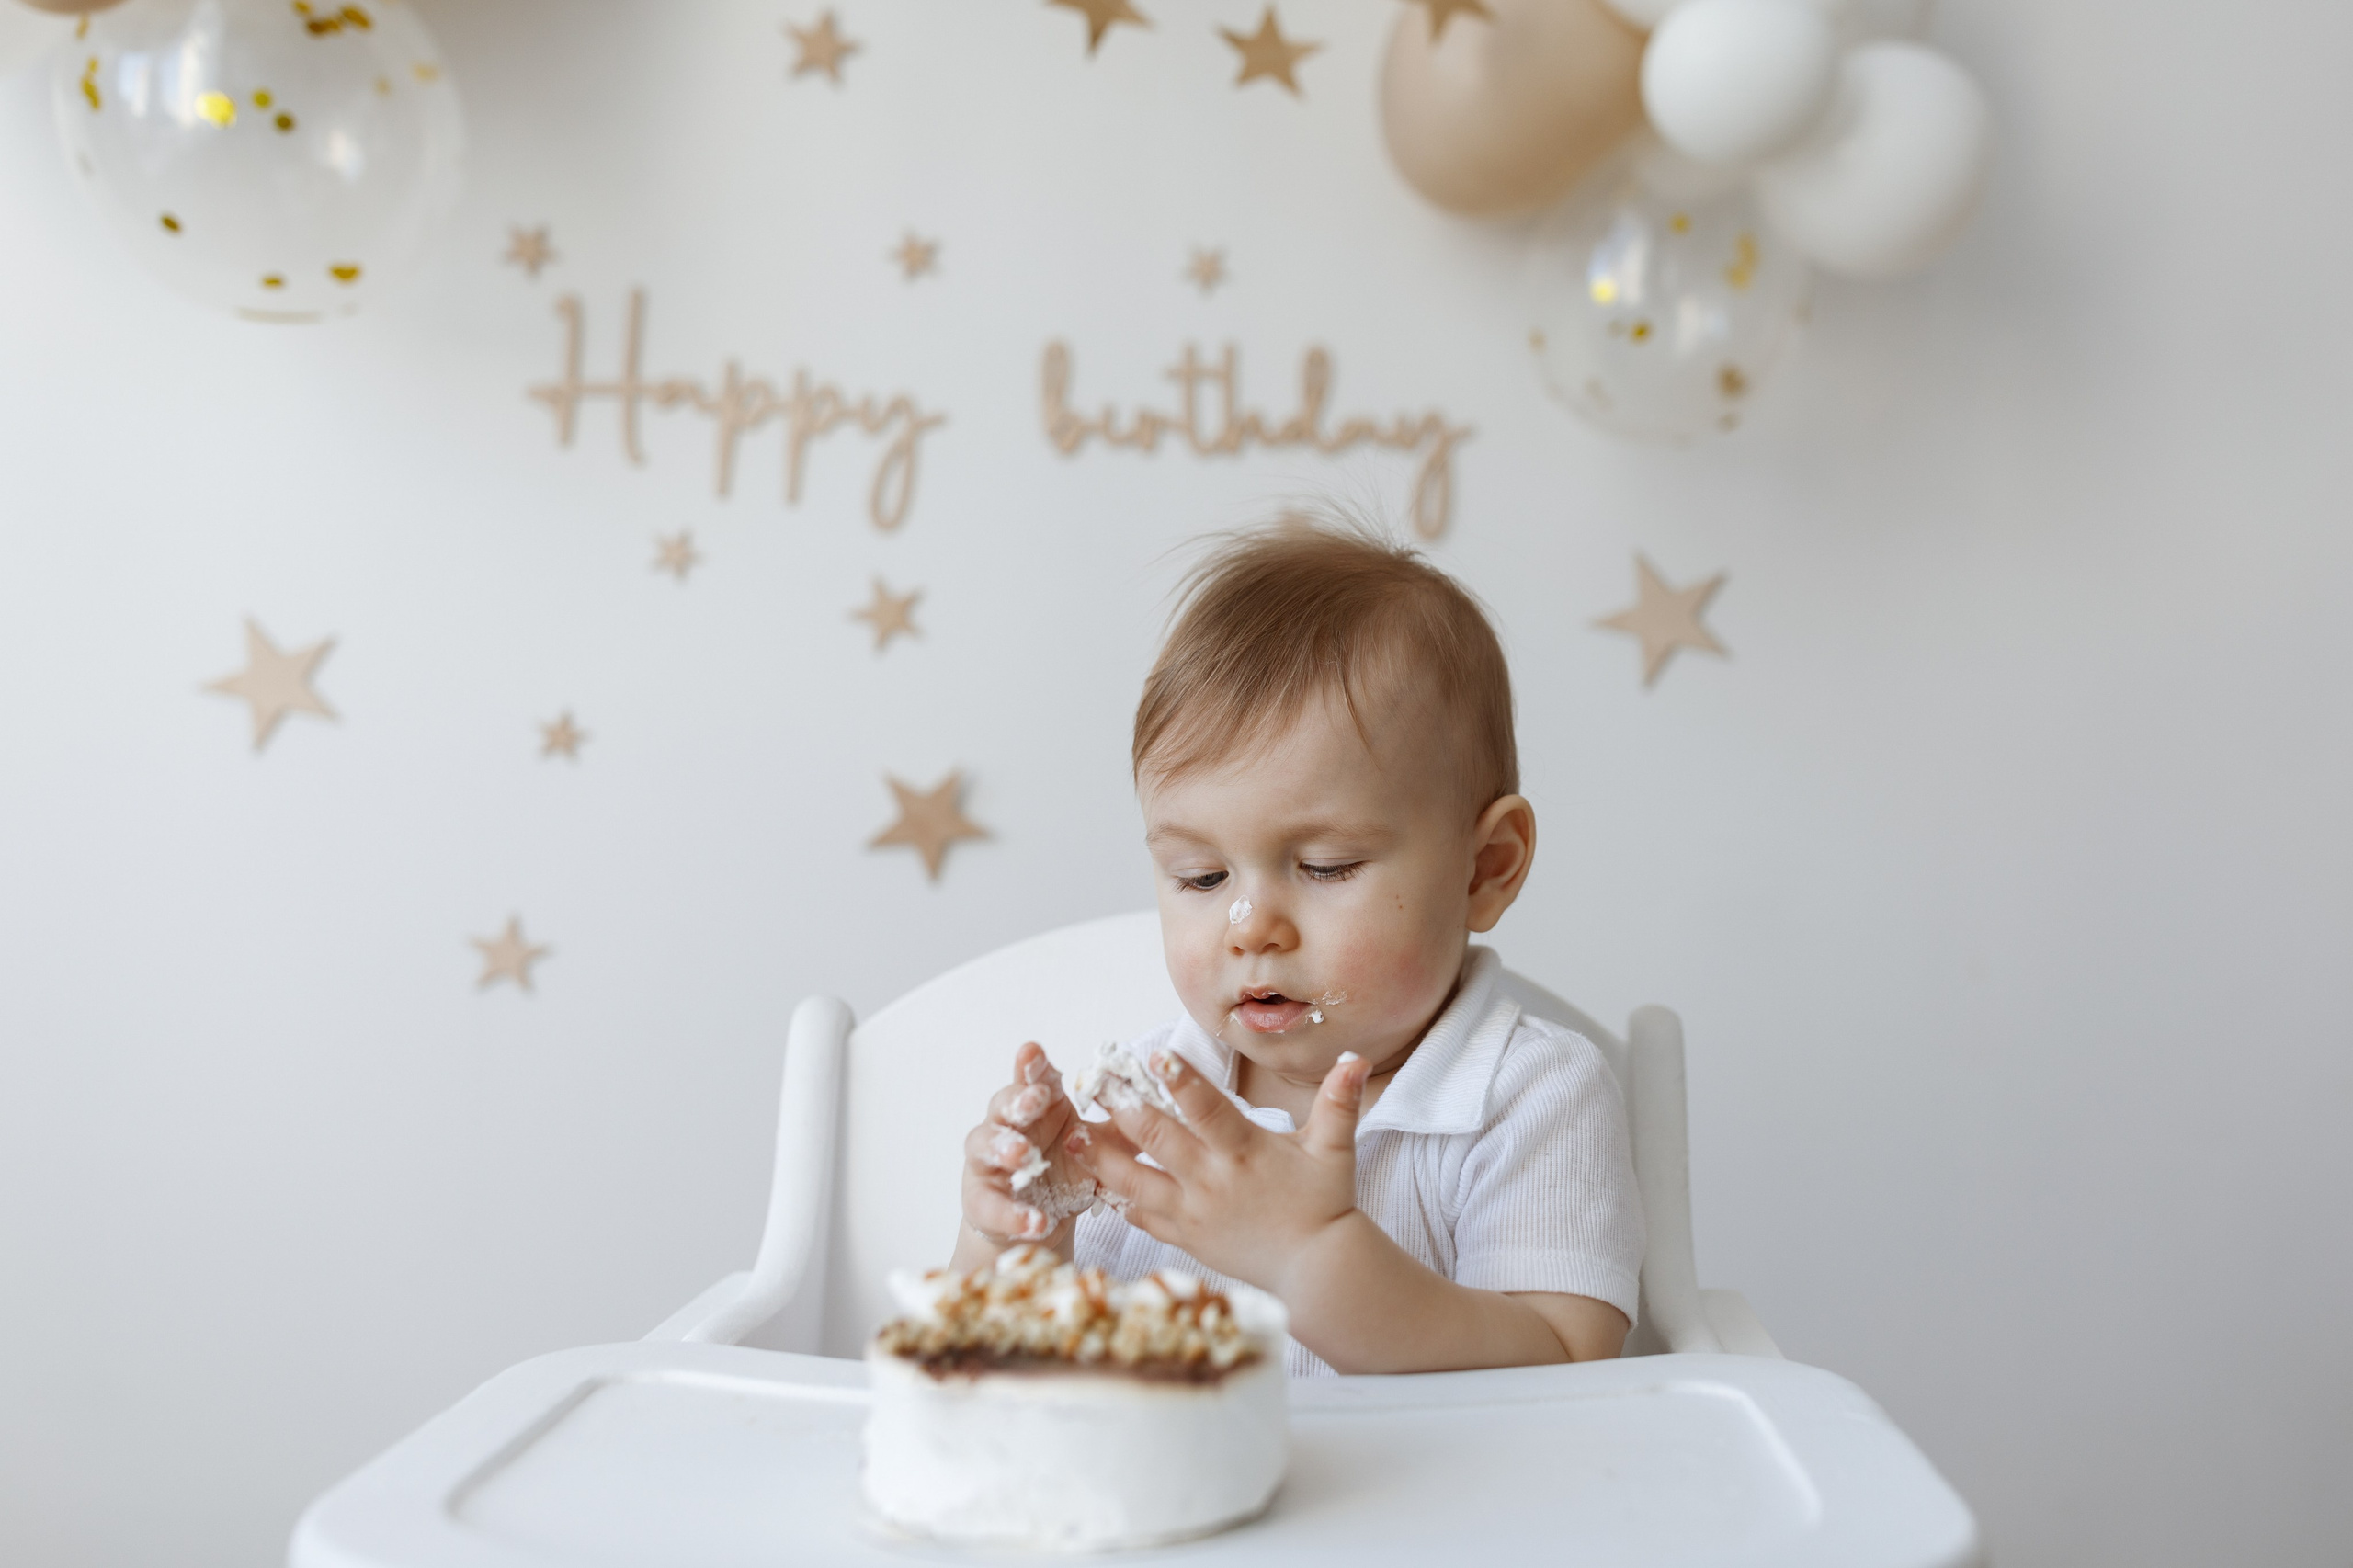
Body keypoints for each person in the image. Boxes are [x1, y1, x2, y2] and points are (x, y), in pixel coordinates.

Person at [950, 516, 1644, 1376]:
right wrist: (1015, 1241)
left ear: (1484, 870)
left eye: (1325, 866)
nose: (1250, 927)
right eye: (1202, 878)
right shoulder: (1151, 1109)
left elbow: (1567, 1369)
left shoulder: (1531, 1098)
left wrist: (1308, 1258)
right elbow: (1000, 1367)